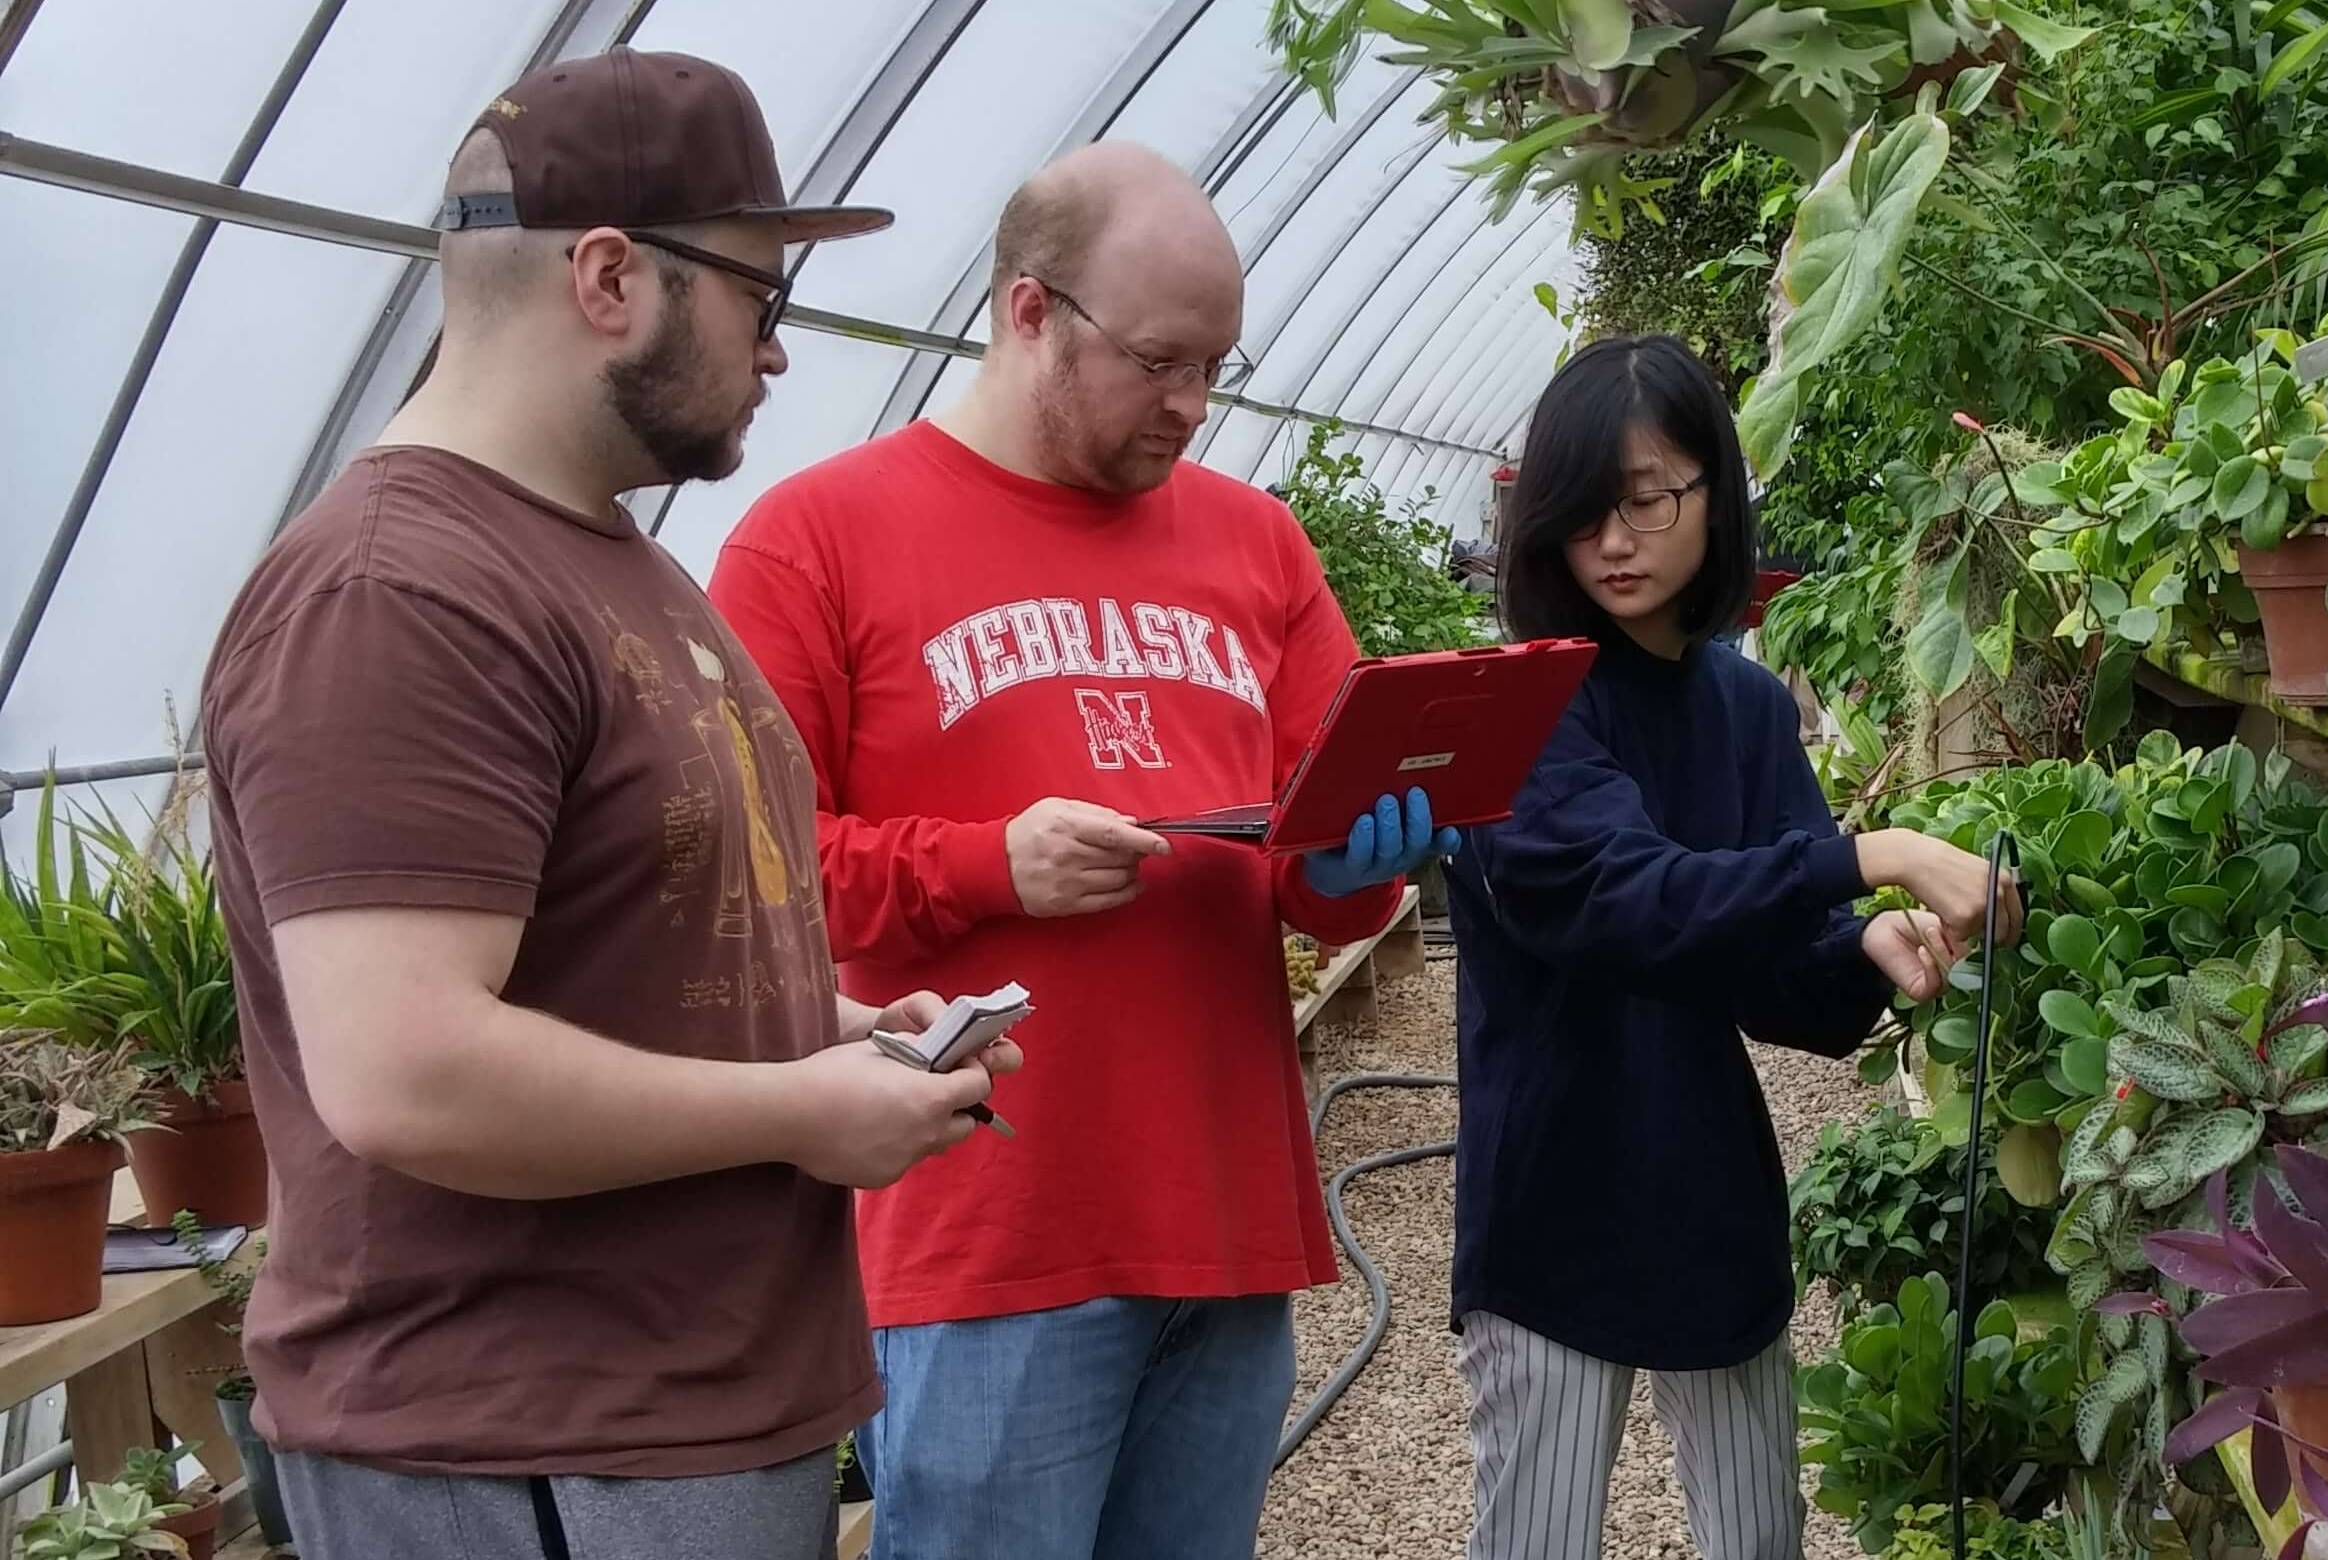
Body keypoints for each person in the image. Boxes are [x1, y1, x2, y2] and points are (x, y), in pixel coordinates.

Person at [195, 49, 1017, 1560]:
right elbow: (405, 1071)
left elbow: (629, 957)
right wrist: (797, 1112)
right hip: (532, 1449)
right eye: (761, 299)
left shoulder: (608, 560)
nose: (778, 351)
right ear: (610, 277)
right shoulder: (403, 594)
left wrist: (845, 1034)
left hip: (657, 1427)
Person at [708, 141, 1447, 1560]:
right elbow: (751, 888)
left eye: (1215, 366)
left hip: (1226, 1217)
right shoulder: (818, 542)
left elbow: (1319, 869)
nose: (1193, 405)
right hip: (988, 1235)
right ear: (1029, 309)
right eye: (1161, 361)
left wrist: (1374, 855)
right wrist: (994, 866)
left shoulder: (1258, 546)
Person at [1445, 335, 2019, 1560]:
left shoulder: (1748, 709)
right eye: (1583, 509)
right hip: (1554, 1206)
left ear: (1715, 493)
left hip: (1709, 1199)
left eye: (1647, 498)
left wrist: (1871, 951)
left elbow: (1780, 980)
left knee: (1760, 1540)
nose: (1613, 539)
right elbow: (1629, 900)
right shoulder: (1522, 708)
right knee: (1537, 1540)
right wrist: (1873, 856)